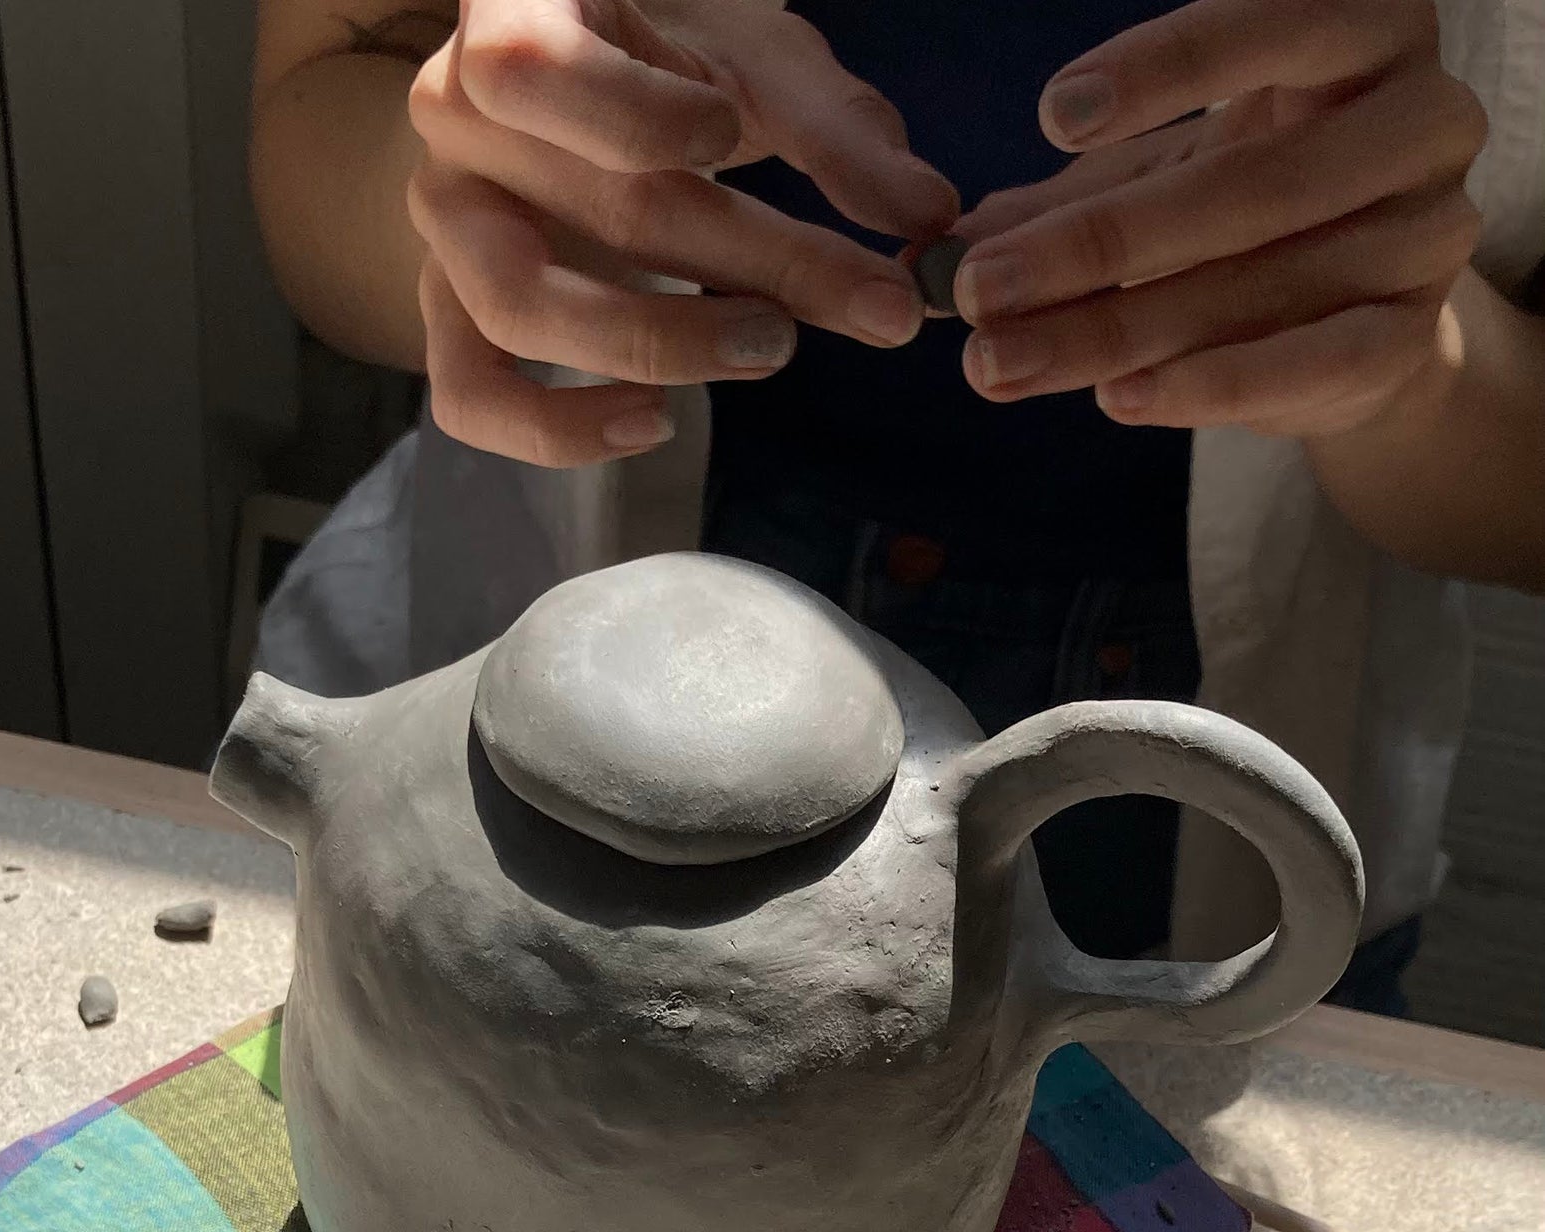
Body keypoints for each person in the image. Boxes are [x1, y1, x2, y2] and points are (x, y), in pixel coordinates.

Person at [247, 0, 1545, 1010]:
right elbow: (324, 97)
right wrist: (477, 224)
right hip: (535, 694)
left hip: (1227, 806)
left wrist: (1405, 360)